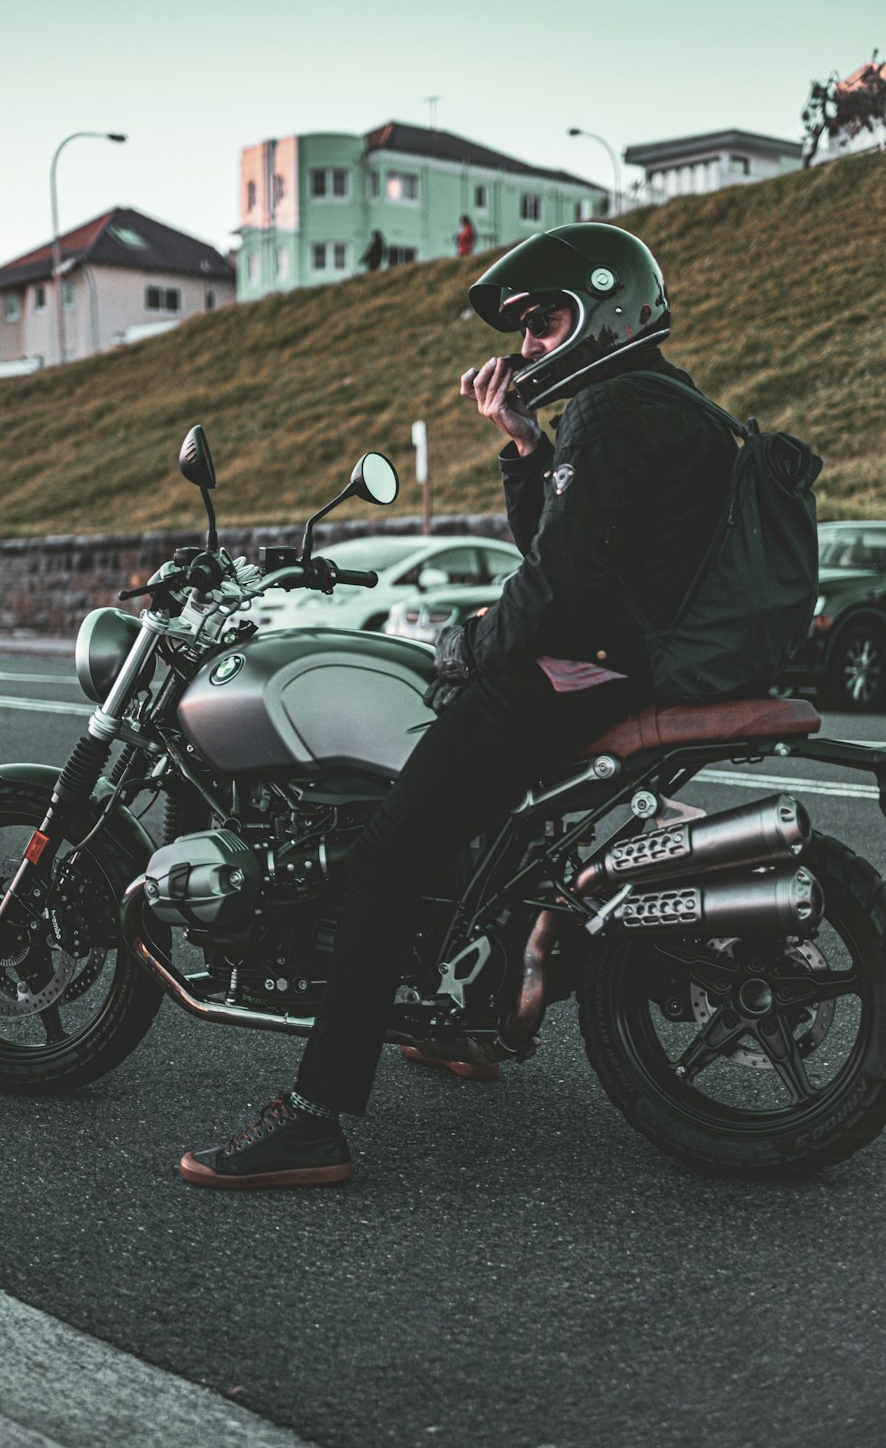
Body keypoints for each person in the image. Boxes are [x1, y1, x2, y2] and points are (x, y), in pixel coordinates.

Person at [179, 222, 736, 1191]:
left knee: (386, 859)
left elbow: (555, 589)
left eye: (542, 321)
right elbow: (571, 552)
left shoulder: (615, 406)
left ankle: (313, 1120)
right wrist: (525, 448)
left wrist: (460, 650)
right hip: (620, 663)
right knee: (485, 837)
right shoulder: (661, 403)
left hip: (581, 672)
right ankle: (469, 1024)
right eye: (520, 328)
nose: (524, 346)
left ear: (602, 310)